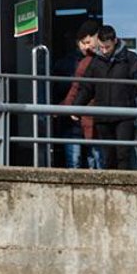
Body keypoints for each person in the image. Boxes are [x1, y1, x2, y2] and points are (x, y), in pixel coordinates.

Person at [88, 24, 137, 171]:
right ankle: (111, 183)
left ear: (115, 41)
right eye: (101, 47)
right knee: (109, 156)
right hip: (103, 116)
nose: (104, 51)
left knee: (123, 154)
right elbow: (86, 87)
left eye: (107, 47)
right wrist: (76, 106)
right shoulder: (96, 62)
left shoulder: (130, 59)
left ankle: (124, 183)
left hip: (124, 115)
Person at [54, 20, 103, 168]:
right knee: (78, 159)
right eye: (83, 43)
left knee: (93, 159)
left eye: (88, 42)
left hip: (91, 118)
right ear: (77, 42)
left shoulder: (99, 60)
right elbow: (66, 90)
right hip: (73, 119)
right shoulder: (65, 64)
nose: (86, 47)